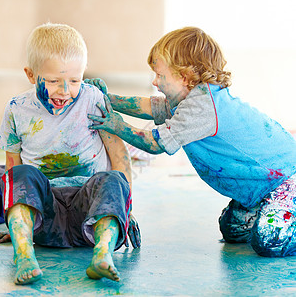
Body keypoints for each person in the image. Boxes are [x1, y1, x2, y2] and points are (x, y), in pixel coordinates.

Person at [86, 26, 296, 258]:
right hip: (260, 186)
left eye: (159, 75)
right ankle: (268, 208)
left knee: (269, 241)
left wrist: (118, 126)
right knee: (233, 231)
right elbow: (149, 106)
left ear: (183, 77)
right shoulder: (193, 97)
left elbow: (156, 144)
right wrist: (107, 99)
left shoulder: (202, 107)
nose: (155, 82)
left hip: (287, 180)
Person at [0, 22, 140, 285]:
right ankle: (24, 254)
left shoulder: (93, 100)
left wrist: (126, 211)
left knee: (112, 180)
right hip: (44, 215)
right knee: (19, 173)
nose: (65, 90)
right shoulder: (17, 109)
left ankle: (103, 253)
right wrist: (16, 224)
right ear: (30, 74)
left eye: (74, 80)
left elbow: (119, 154)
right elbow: (12, 167)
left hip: (90, 214)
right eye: (53, 81)